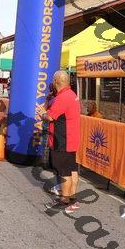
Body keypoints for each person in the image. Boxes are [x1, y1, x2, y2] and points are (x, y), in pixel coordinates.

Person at [41, 70, 81, 213]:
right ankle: (72, 198)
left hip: (63, 139)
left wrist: (42, 114)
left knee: (64, 171)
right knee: (71, 169)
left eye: (53, 80)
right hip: (71, 138)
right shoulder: (71, 94)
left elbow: (50, 116)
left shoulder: (63, 97)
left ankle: (64, 200)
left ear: (56, 82)